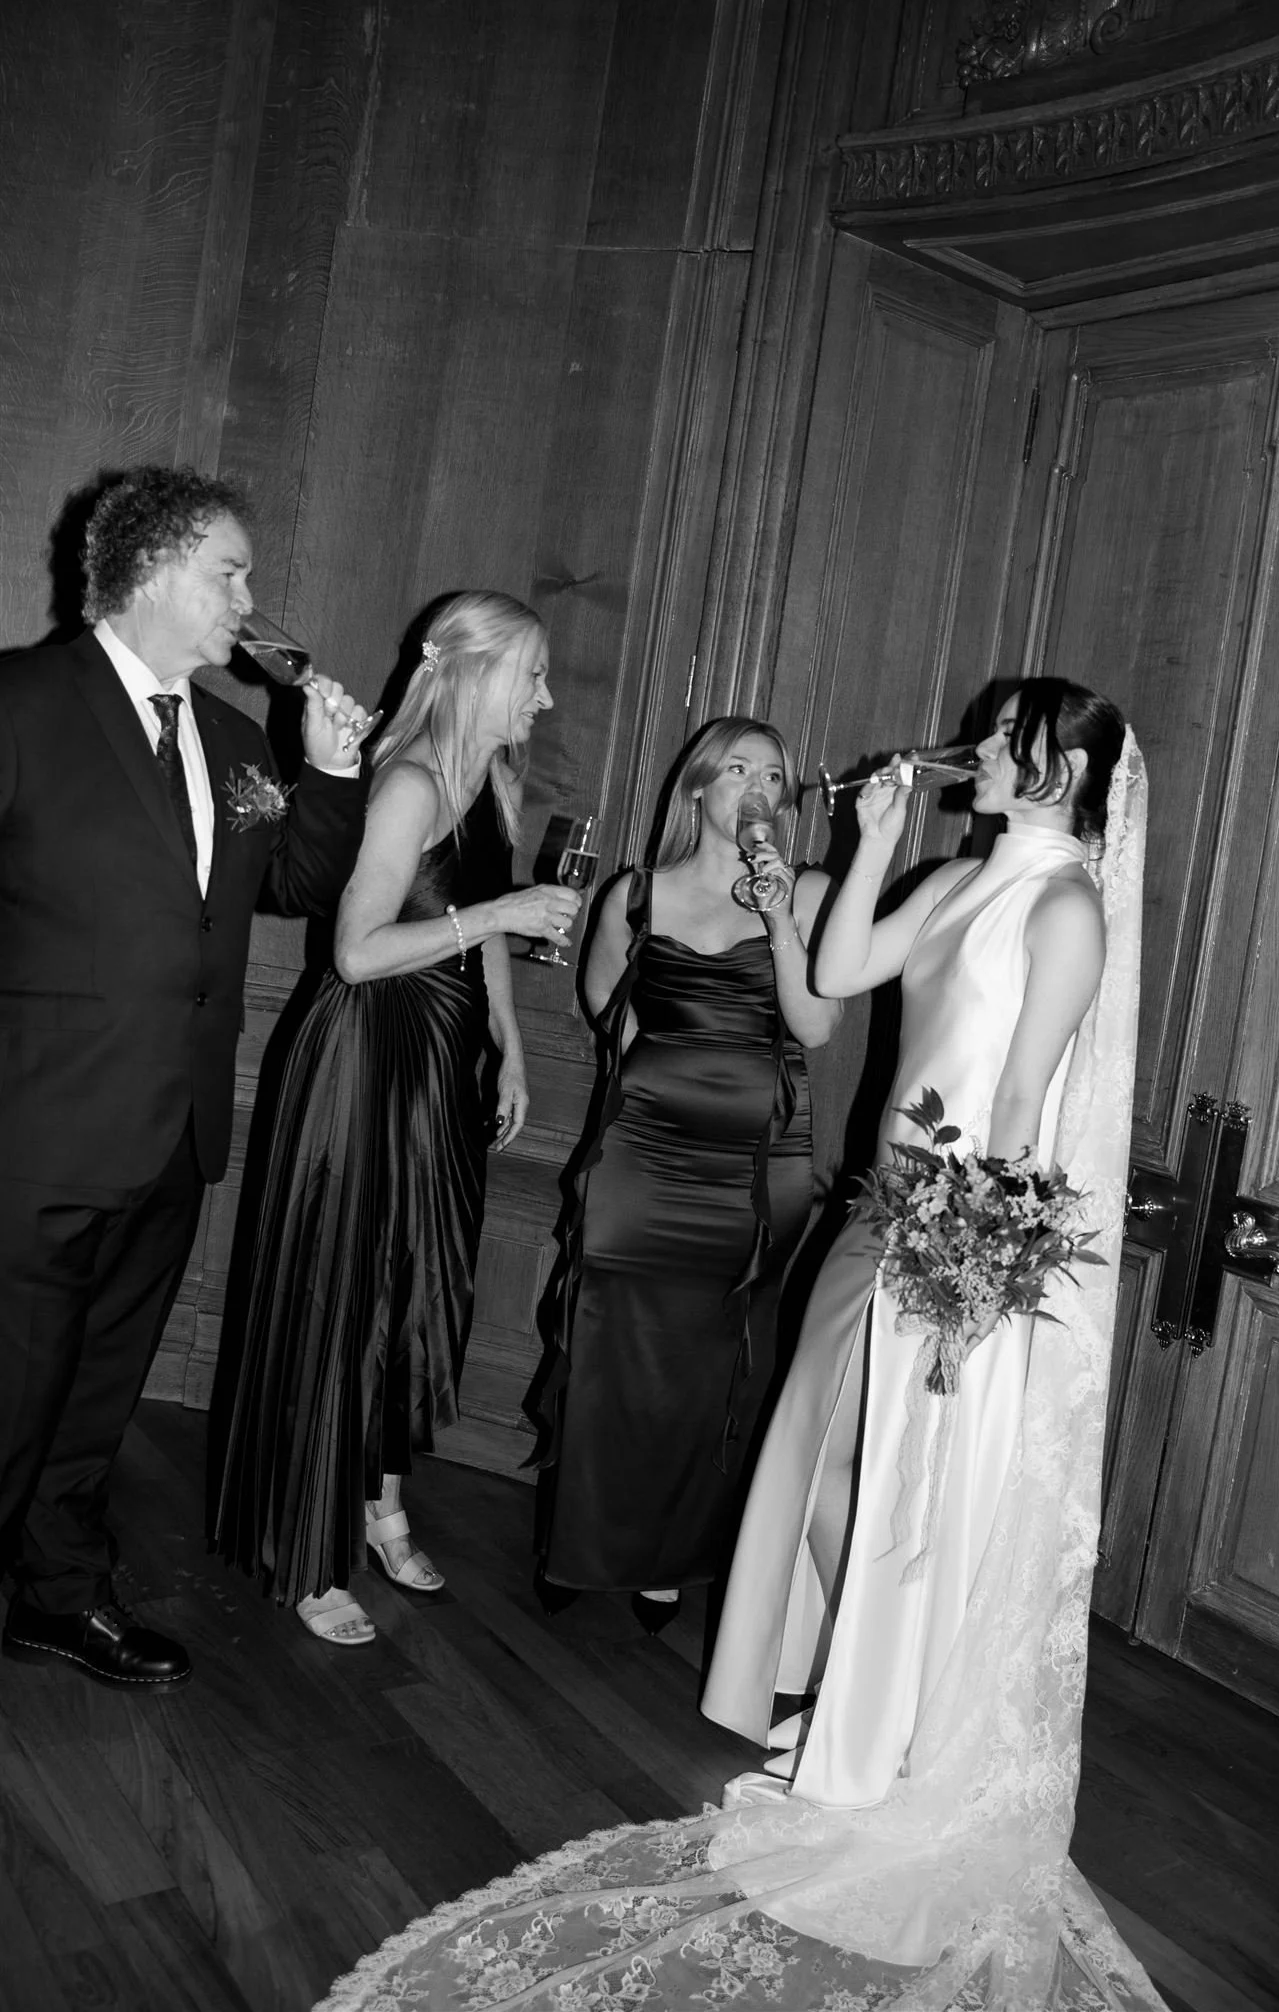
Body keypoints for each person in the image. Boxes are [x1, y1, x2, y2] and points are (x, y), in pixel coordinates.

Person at [314, 680, 1166, 2012]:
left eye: (1005, 743)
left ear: (1056, 771)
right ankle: (856, 1714)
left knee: (889, 1495)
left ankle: (895, 1743)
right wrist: (877, 843)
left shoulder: (1060, 904)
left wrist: (972, 1263)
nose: (978, 753)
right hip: (885, 1213)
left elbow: (1008, 1099)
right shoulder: (960, 876)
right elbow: (838, 974)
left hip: (950, 1235)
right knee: (827, 1475)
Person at [0, 465, 373, 1691]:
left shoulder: (225, 737)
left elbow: (294, 886)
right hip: (35, 1133)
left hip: (173, 1141)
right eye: (231, 571)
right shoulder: (19, 699)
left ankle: (58, 1596)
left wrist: (322, 771)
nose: (249, 598)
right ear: (155, 571)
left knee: (97, 1395)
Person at [213, 592, 580, 1646]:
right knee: (343, 1294)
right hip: (363, 1058)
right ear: (470, 673)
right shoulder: (410, 779)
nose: (546, 698)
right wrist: (499, 916)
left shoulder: (489, 779)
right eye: (535, 675)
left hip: (441, 1067)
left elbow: (490, 923)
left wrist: (509, 1040)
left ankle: (379, 1503)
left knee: (417, 1284)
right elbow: (356, 951)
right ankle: (306, 1544)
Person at [535, 717, 840, 1631]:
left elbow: (816, 1026)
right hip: (643, 1156)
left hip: (754, 1167)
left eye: (773, 775)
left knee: (716, 1366)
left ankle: (668, 1556)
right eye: (735, 768)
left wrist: (778, 910)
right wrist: (650, 1082)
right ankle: (583, 1545)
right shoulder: (638, 890)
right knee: (610, 1350)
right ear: (698, 787)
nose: (755, 786)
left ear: (782, 801)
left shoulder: (812, 891)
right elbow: (601, 997)